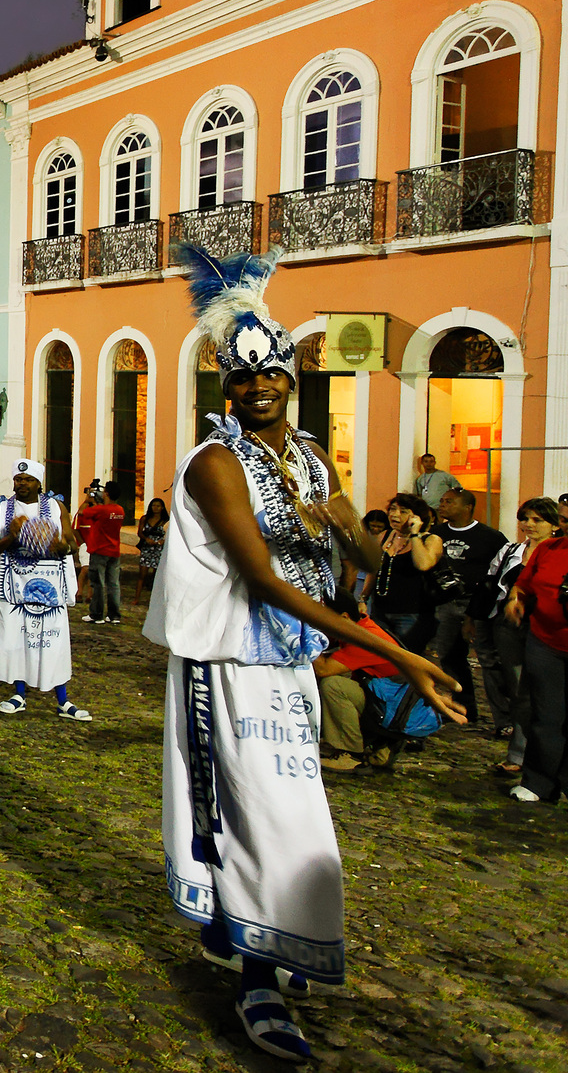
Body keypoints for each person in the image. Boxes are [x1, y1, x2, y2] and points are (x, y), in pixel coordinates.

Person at [151, 243, 463, 1064]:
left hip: (289, 660)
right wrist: (400, 657)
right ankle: (257, 974)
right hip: (229, 659)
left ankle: (248, 934)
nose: (257, 386)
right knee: (257, 808)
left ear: (292, 379)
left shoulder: (312, 457)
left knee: (289, 804)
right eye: (242, 376)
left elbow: (360, 559)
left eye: (271, 373)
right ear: (226, 384)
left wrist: (351, 522)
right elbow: (264, 579)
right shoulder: (214, 463)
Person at [504, 492, 568, 815]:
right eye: (564, 520)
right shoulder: (548, 549)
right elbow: (524, 585)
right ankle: (538, 783)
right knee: (545, 716)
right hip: (544, 644)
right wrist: (515, 601)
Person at [0, 460, 89, 720]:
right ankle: (18, 694)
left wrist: (59, 545)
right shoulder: (2, 509)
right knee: (16, 639)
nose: (22, 484)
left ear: (39, 483)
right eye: (18, 479)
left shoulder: (55, 507)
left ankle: (63, 700)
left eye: (28, 479)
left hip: (50, 586)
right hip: (14, 586)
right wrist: (12, 537)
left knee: (53, 640)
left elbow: (72, 544)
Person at [484, 497, 559, 776]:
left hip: (546, 628)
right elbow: (494, 583)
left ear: (554, 524)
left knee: (544, 692)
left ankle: (548, 755)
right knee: (518, 690)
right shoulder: (512, 550)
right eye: (525, 519)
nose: (529, 524)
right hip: (510, 625)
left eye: (537, 520)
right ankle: (519, 752)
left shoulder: (560, 552)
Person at [425, 486, 505, 724]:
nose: (443, 505)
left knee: (488, 658)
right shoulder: (436, 533)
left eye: (449, 502)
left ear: (467, 507)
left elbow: (500, 570)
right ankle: (463, 706)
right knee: (449, 655)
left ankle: (503, 716)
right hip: (445, 603)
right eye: (442, 501)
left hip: (477, 603)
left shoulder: (491, 537)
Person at [311, 596, 401, 771]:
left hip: (390, 708)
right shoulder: (358, 627)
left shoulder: (365, 638)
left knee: (333, 685)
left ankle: (351, 754)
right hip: (383, 698)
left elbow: (323, 669)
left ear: (344, 617)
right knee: (337, 679)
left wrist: (303, 634)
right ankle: (370, 744)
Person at [369, 493, 439, 646]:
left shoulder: (430, 539)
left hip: (412, 613)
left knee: (405, 654)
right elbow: (374, 570)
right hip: (380, 610)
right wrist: (363, 598)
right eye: (392, 509)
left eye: (403, 511)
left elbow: (423, 564)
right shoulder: (385, 535)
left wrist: (414, 534)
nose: (395, 514)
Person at [75, 479, 126, 625]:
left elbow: (82, 512)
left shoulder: (101, 510)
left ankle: (97, 614)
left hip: (99, 550)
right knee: (113, 584)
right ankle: (114, 615)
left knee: (98, 584)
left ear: (107, 493)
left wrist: (88, 499)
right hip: (114, 550)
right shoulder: (120, 510)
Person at [134, 496, 169, 606]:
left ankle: (155, 599)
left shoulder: (166, 521)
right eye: (154, 505)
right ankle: (137, 598)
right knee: (142, 574)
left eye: (158, 506)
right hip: (147, 548)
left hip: (159, 549)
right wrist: (146, 539)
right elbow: (140, 532)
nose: (155, 508)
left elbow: (168, 533)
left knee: (157, 575)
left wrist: (162, 541)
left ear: (162, 508)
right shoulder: (145, 519)